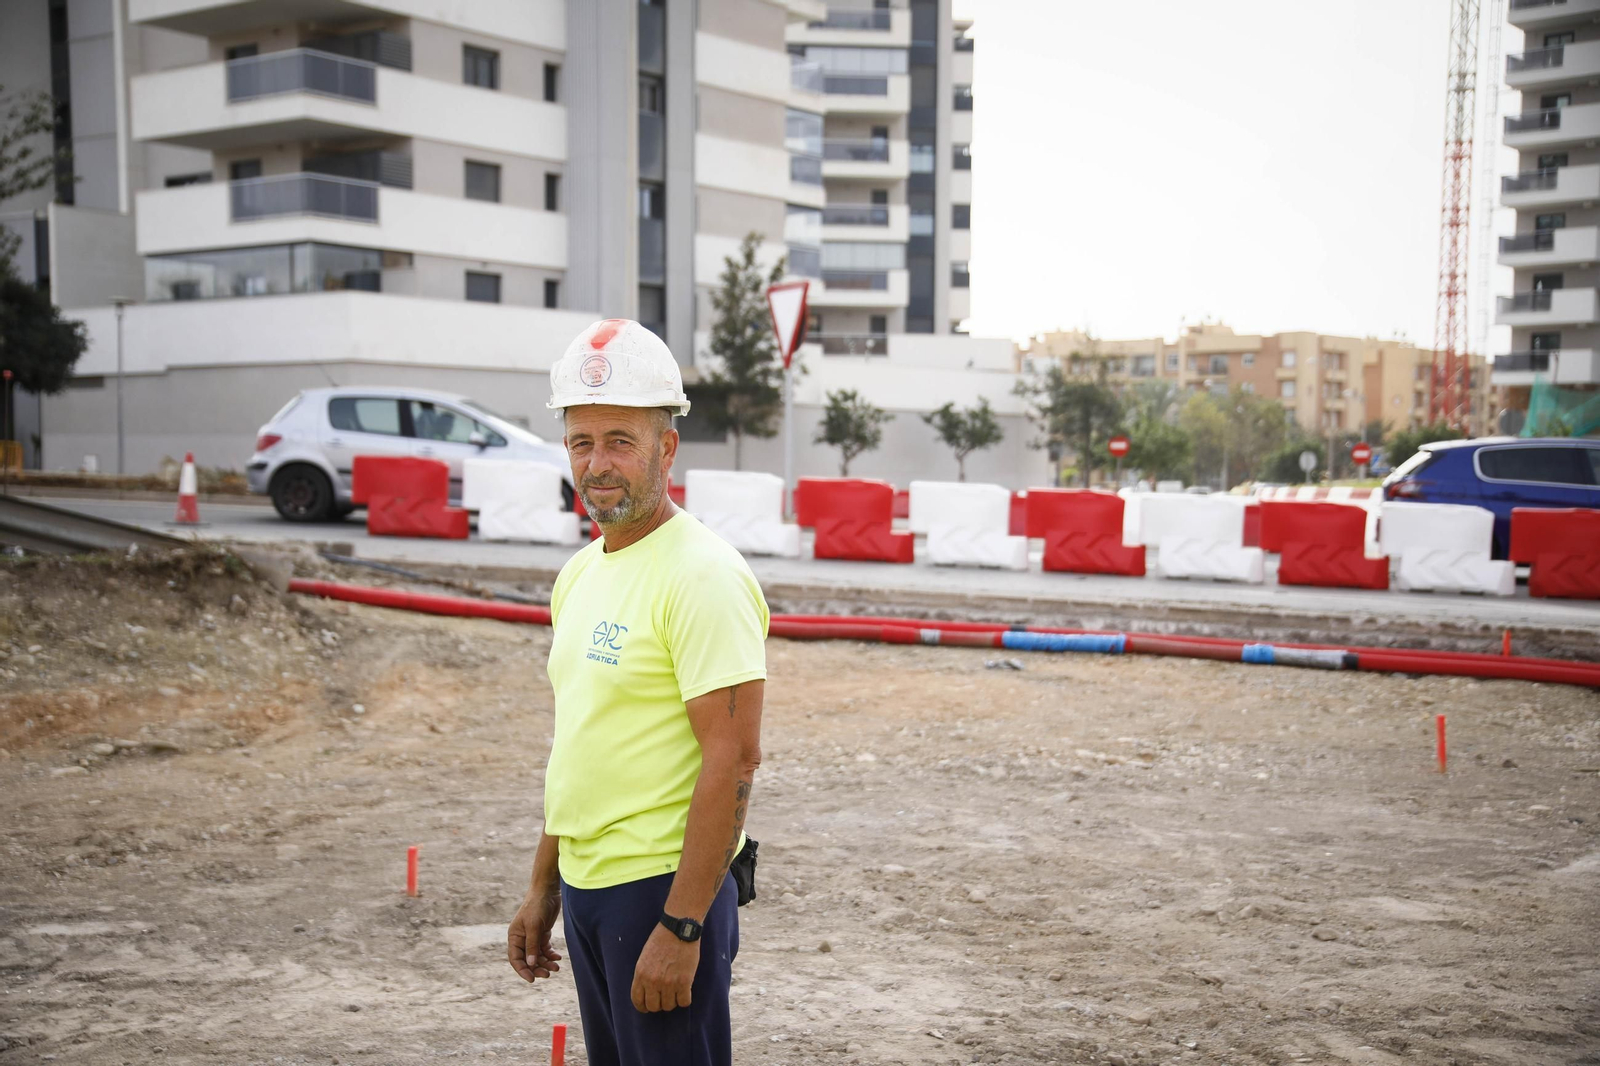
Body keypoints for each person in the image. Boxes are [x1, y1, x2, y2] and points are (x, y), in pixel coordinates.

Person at [507, 319, 769, 1066]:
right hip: (590, 890)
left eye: (620, 440)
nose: (598, 463)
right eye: (581, 442)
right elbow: (584, 743)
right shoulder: (581, 574)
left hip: (661, 889)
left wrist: (684, 927)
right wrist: (544, 887)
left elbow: (736, 759)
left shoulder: (702, 577)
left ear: (666, 447)